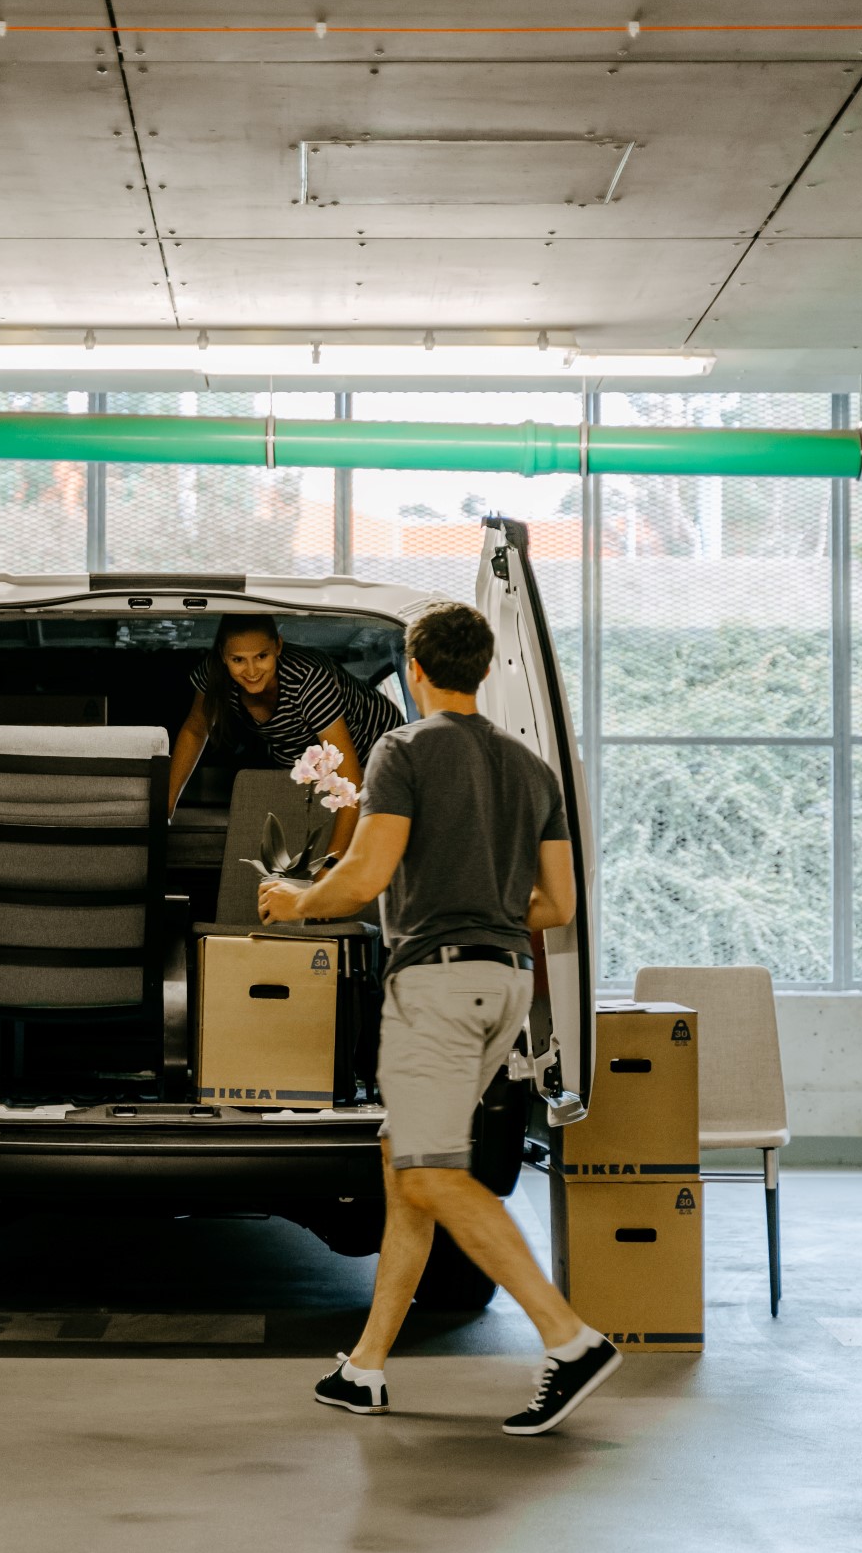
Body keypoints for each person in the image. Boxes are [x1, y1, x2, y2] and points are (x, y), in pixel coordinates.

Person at [258, 600, 620, 1437]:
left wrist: (294, 901)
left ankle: (570, 1341)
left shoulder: (405, 749)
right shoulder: (532, 769)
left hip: (439, 987)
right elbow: (558, 904)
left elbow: (364, 877)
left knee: (429, 1174)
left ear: (414, 669)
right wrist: (486, 907)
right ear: (485, 670)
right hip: (504, 984)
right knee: (408, 1171)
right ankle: (365, 1367)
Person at [168, 615, 404, 858]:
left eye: (262, 656)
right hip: (302, 753)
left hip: (375, 743)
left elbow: (350, 781)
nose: (251, 671)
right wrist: (165, 811)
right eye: (238, 659)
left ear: (278, 646)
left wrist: (331, 863)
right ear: (222, 655)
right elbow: (196, 729)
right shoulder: (216, 673)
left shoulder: (309, 677)